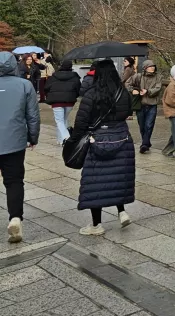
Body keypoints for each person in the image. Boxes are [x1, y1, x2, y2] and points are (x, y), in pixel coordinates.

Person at [73, 58, 135, 236]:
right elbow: (128, 112)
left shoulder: (91, 94)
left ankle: (96, 225)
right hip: (121, 138)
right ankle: (121, 212)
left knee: (96, 184)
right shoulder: (123, 93)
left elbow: (81, 121)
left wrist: (76, 138)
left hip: (97, 139)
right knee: (118, 178)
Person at [0, 51, 40, 244]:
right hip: (14, 141)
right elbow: (32, 115)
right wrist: (33, 137)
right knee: (14, 181)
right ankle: (15, 218)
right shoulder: (25, 85)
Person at [128, 60, 162, 154]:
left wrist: (148, 91)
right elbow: (127, 84)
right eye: (150, 66)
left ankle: (144, 144)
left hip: (152, 104)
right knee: (142, 126)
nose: (152, 68)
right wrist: (133, 90)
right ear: (145, 67)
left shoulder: (158, 77)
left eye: (153, 66)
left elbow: (158, 88)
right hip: (141, 105)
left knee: (149, 125)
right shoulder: (138, 76)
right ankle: (146, 142)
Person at [45, 59, 81, 144]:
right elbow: (78, 89)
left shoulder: (54, 76)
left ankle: (66, 137)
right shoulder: (75, 77)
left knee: (59, 121)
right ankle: (60, 140)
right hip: (70, 101)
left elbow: (46, 88)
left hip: (56, 101)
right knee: (64, 119)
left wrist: (50, 95)